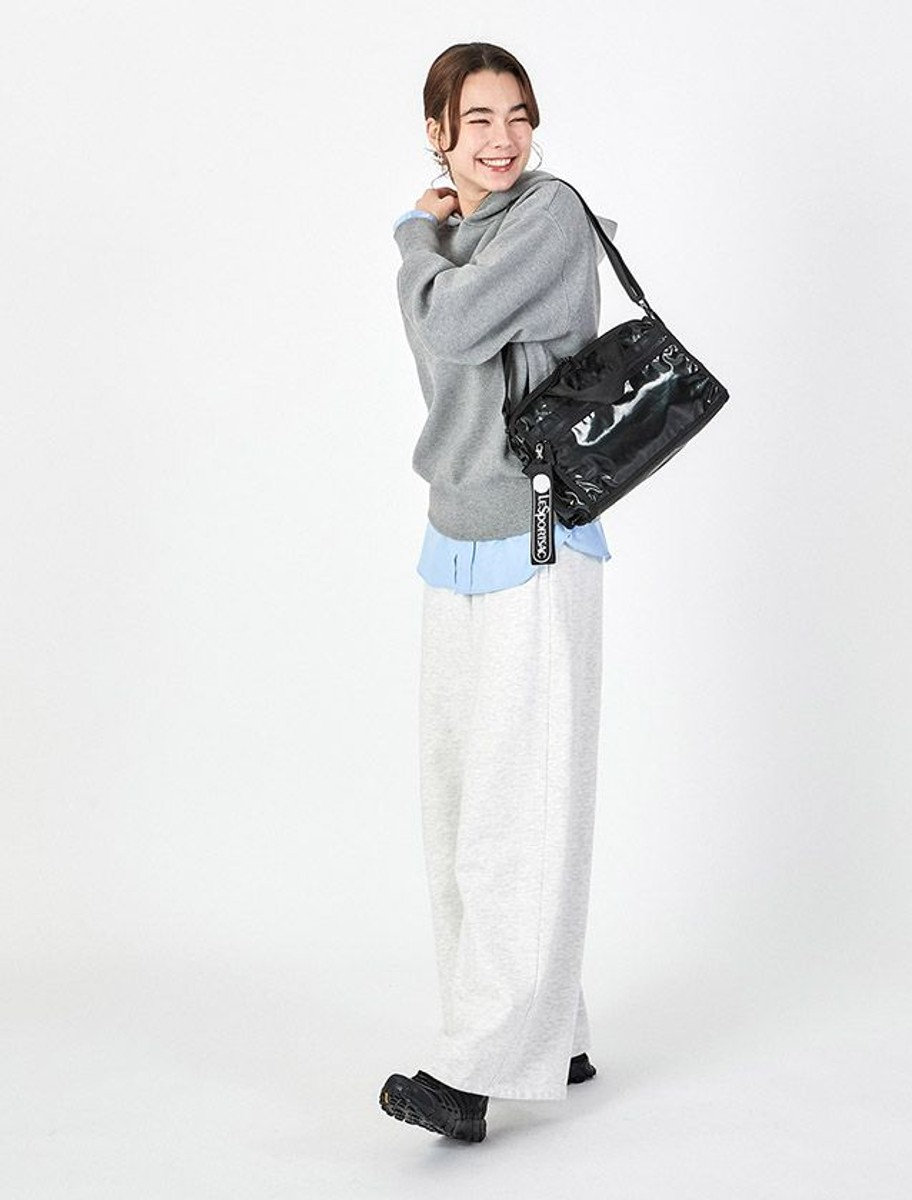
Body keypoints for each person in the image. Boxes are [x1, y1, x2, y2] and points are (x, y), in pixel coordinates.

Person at [378, 42, 618, 1143]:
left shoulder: (546, 217)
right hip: (455, 538)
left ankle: (472, 1071)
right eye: (477, 119)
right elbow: (448, 368)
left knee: (513, 814)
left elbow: (451, 329)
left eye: (517, 115)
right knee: (463, 806)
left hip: (536, 534)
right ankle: (553, 1031)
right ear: (438, 133)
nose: (503, 138)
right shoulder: (459, 242)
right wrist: (433, 243)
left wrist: (410, 236)